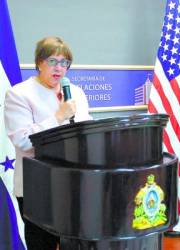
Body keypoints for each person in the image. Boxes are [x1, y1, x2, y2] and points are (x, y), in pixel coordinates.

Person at [4, 37, 92, 250]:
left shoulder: (76, 93)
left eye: (65, 63)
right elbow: (23, 140)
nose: (59, 68)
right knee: (42, 244)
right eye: (53, 61)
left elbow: (87, 130)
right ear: (39, 62)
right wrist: (58, 116)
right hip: (38, 188)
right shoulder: (19, 94)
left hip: (74, 183)